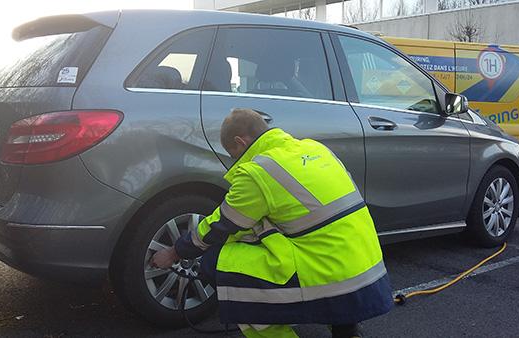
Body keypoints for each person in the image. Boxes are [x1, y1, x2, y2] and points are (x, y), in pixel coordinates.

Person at [151, 108, 393, 338]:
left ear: (241, 142)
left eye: (233, 154)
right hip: (368, 273)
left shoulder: (259, 171)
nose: (234, 161)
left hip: (330, 278)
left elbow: (220, 227)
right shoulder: (315, 149)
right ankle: (346, 331)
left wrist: (174, 252)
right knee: (317, 237)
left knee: (217, 263)